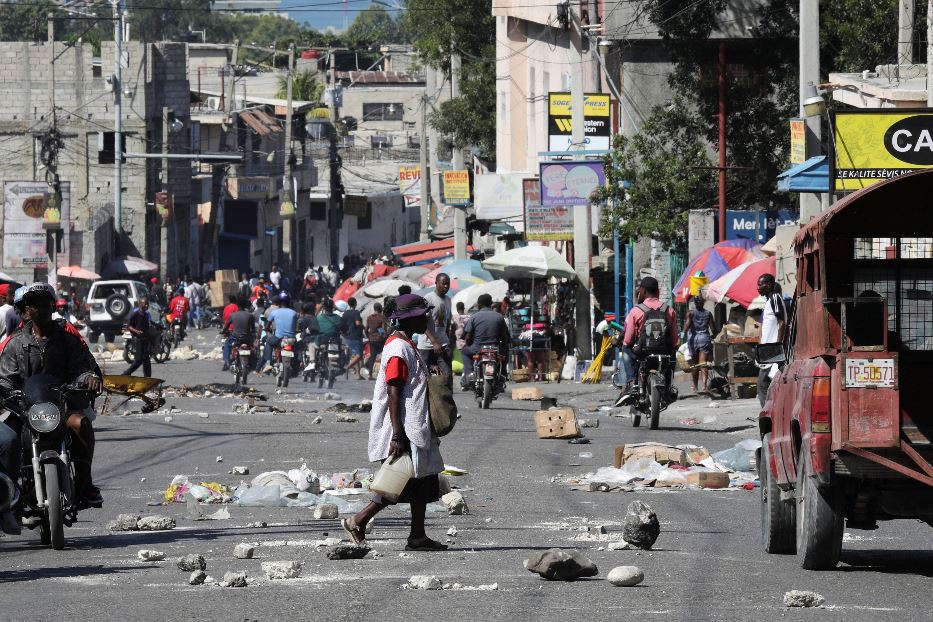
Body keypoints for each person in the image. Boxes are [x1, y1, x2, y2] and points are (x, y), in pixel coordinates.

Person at [341, 294, 447, 552]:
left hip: (413, 425)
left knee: (422, 479)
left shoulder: (406, 345)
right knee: (400, 481)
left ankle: (418, 536)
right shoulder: (399, 349)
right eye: (422, 315)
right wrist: (398, 435)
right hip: (404, 427)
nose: (426, 319)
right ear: (408, 320)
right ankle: (357, 521)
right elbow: (394, 392)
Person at [0, 283, 104, 520]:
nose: (40, 308)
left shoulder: (69, 341)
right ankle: (11, 492)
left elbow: (82, 367)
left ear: (52, 305)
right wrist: (4, 393)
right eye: (33, 304)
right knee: (7, 438)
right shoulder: (15, 344)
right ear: (26, 310)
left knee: (81, 425)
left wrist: (88, 378)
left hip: (62, 407)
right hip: (24, 411)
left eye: (45, 303)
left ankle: (85, 485)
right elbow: (5, 379)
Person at [617, 276, 679, 405]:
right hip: (664, 351)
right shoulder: (669, 310)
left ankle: (632, 383)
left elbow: (628, 340)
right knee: (672, 356)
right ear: (658, 292)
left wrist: (625, 343)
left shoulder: (636, 311)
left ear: (643, 291)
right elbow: (674, 339)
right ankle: (668, 387)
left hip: (643, 350)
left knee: (626, 349)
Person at [461, 293, 510, 389]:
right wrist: (504, 344)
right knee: (505, 352)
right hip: (495, 349)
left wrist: (468, 343)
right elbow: (505, 337)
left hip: (477, 349)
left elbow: (467, 336)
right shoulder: (499, 317)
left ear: (479, 305)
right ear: (491, 304)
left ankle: (470, 373)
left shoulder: (474, 317)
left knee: (464, 352)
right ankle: (503, 373)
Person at [757, 274, 787, 407]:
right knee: (768, 385)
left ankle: (768, 414)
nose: (758, 288)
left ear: (768, 285)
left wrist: (777, 346)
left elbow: (781, 323)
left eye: (760, 284)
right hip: (767, 349)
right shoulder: (770, 300)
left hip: (772, 350)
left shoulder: (775, 297)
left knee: (762, 385)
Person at [416, 273, 452, 376]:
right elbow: (421, 323)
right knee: (423, 376)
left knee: (446, 375)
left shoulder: (448, 300)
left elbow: (447, 320)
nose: (446, 286)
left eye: (448, 284)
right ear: (436, 283)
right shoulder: (428, 299)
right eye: (443, 283)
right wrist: (434, 342)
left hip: (443, 344)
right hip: (427, 345)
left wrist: (447, 338)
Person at [684, 296, 716, 394]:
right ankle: (704, 386)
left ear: (695, 303)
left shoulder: (690, 313)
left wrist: (681, 336)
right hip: (704, 338)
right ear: (704, 303)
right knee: (703, 363)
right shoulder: (708, 313)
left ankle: (694, 386)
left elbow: (686, 326)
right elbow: (713, 329)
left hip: (693, 339)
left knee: (694, 364)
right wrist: (713, 336)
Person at [263, 293, 298, 372]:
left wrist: (267, 329)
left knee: (268, 343)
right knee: (298, 348)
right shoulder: (294, 313)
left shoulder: (274, 312)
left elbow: (266, 326)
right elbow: (297, 326)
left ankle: (268, 363)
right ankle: (296, 365)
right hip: (291, 340)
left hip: (278, 338)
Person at [222, 298, 256, 370]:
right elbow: (253, 328)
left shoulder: (233, 315)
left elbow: (226, 326)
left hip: (235, 337)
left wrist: (223, 331)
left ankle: (227, 361)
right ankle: (253, 363)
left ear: (237, 305)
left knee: (227, 345)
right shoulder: (250, 315)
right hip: (247, 338)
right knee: (253, 348)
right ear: (246, 305)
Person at [122, 297, 152, 377]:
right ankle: (126, 374)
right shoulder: (135, 314)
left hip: (145, 339)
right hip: (137, 339)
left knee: (146, 360)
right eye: (145, 304)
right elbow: (129, 326)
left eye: (147, 304)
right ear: (140, 304)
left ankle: (147, 377)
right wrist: (136, 331)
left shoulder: (146, 315)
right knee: (138, 360)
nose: (146, 305)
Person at [341, 298, 365, 379]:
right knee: (359, 355)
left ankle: (358, 374)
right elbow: (357, 323)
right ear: (355, 303)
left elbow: (343, 324)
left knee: (355, 354)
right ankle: (347, 367)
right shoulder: (356, 312)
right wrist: (363, 327)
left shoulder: (345, 313)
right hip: (355, 336)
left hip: (347, 336)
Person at [365, 302, 386, 379]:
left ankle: (370, 374)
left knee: (373, 356)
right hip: (379, 340)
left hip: (371, 339)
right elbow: (382, 330)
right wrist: (381, 336)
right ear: (380, 309)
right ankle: (383, 374)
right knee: (383, 356)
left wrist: (368, 335)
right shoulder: (381, 318)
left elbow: (366, 329)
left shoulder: (369, 317)